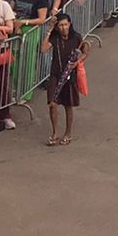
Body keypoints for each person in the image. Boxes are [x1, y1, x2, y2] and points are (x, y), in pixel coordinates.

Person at [43, 9, 89, 146]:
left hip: (70, 76)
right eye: (60, 25)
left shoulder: (76, 37)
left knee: (68, 106)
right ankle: (55, 133)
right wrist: (49, 30)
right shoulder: (55, 38)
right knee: (52, 104)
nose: (63, 28)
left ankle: (68, 133)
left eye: (65, 25)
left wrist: (78, 61)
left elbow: (86, 50)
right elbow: (43, 49)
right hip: (55, 74)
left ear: (70, 24)